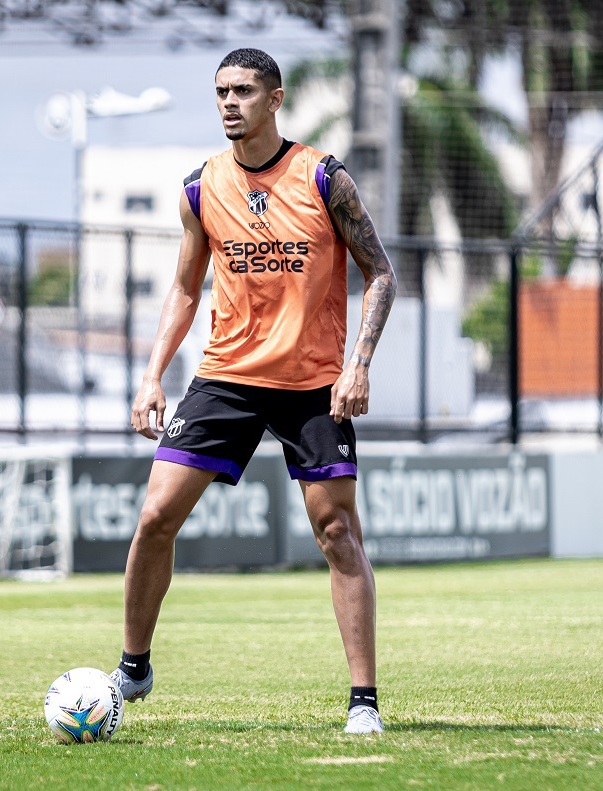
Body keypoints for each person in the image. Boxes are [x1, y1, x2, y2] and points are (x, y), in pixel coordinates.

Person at [109, 47, 397, 735]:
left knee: (337, 533)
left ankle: (363, 702)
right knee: (154, 516)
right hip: (226, 378)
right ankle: (133, 665)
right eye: (220, 92)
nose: (229, 102)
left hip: (312, 385)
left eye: (242, 90)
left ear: (275, 99)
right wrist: (152, 375)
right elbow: (183, 290)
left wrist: (358, 363)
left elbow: (380, 272)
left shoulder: (323, 177)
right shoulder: (200, 189)